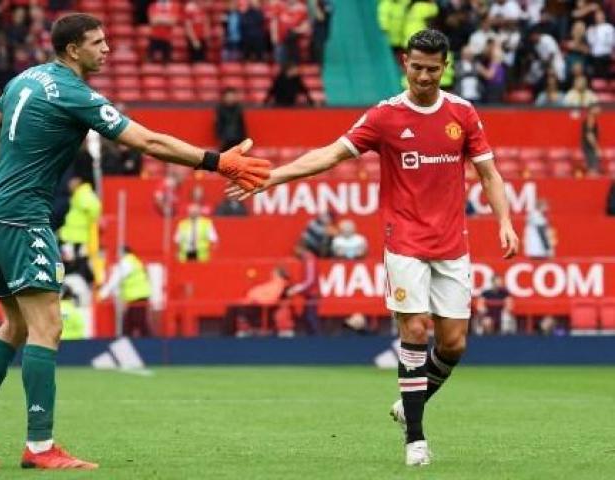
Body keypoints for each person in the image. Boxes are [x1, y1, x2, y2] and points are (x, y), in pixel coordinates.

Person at [0, 13, 270, 471]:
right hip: (24, 216)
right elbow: (147, 141)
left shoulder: (24, 79)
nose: (107, 49)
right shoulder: (75, 94)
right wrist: (217, 162)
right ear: (73, 49)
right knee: (47, 328)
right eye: (98, 43)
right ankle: (40, 446)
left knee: (15, 326)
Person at [227, 29, 519, 466]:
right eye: (416, 68)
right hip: (403, 242)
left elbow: (489, 174)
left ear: (445, 67)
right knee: (414, 331)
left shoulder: (463, 113)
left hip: (452, 244)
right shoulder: (385, 117)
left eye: (432, 69)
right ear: (405, 63)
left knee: (454, 344)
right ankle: (416, 440)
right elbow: (330, 155)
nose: (423, 77)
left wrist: (505, 222)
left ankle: (408, 406)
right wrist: (274, 177)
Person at [98, 246, 153, 337]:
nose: (117, 256)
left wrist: (102, 294)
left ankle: (146, 342)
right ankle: (145, 340)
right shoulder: (135, 261)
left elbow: (115, 279)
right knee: (135, 322)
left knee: (135, 322)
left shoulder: (126, 262)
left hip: (136, 296)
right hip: (140, 295)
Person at [58, 176, 102, 285]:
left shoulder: (83, 193)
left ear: (78, 181)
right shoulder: (79, 194)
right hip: (70, 236)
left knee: (64, 262)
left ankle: (59, 282)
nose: (69, 184)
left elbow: (95, 208)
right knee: (64, 261)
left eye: (71, 181)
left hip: (74, 238)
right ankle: (87, 281)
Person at [215, 87, 247, 152]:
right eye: (228, 97)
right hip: (225, 139)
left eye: (232, 96)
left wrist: (244, 138)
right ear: (224, 98)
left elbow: (242, 124)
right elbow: (218, 125)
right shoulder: (220, 109)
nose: (230, 98)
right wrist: (221, 138)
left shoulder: (239, 108)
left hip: (238, 138)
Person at [582, 103, 602, 176]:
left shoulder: (590, 118)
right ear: (591, 110)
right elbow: (589, 135)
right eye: (596, 108)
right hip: (589, 147)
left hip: (588, 146)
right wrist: (596, 147)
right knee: (592, 169)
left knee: (592, 167)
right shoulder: (590, 119)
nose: (599, 109)